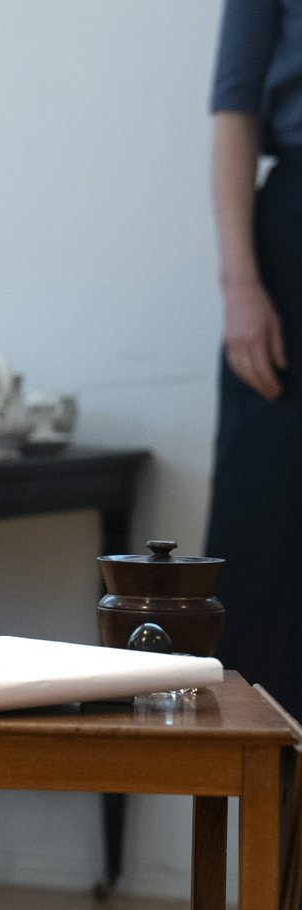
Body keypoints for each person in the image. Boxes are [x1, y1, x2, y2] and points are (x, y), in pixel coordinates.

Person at [206, 0, 302, 726]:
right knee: (271, 539)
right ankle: (280, 831)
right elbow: (234, 109)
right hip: (291, 254)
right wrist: (241, 285)